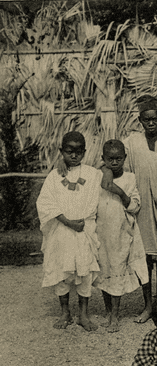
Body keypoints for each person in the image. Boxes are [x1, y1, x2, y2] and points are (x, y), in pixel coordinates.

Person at [36, 131, 103, 332]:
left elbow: (108, 172)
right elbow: (45, 203)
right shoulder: (54, 175)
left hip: (84, 231)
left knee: (84, 272)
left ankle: (83, 314)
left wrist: (79, 223)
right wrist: (67, 221)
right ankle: (65, 312)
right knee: (62, 271)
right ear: (61, 151)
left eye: (78, 151)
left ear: (84, 152)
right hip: (62, 232)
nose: (73, 155)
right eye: (69, 151)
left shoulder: (92, 174)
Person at [123, 95, 157, 324]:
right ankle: (147, 305)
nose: (151, 123)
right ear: (140, 120)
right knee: (144, 255)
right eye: (146, 120)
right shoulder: (131, 143)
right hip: (141, 208)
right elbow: (119, 168)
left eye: (155, 119)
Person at [94, 139, 148, 333]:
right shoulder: (97, 177)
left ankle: (115, 316)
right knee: (103, 271)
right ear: (104, 159)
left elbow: (135, 206)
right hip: (101, 233)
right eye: (110, 159)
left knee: (116, 271)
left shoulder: (130, 178)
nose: (114, 162)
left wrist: (118, 191)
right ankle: (108, 312)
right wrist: (103, 172)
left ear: (125, 158)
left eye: (118, 158)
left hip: (120, 233)